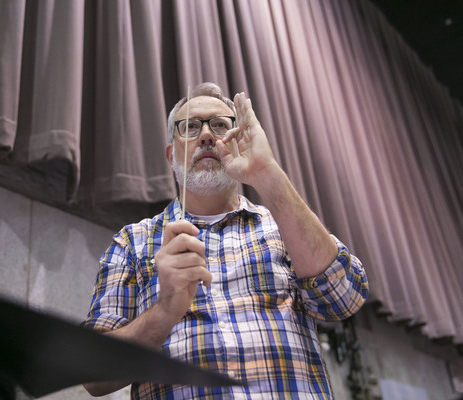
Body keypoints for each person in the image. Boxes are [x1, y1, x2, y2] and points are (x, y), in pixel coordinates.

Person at [81, 82, 368, 399]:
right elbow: (93, 374)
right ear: (170, 153)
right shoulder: (132, 242)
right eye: (190, 127)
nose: (206, 135)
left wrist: (268, 175)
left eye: (219, 125)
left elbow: (344, 299)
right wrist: (163, 313)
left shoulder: (284, 226)